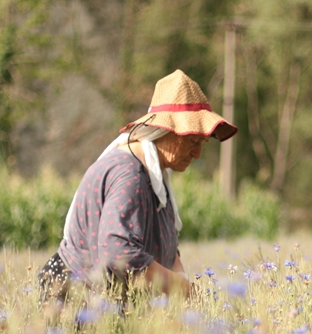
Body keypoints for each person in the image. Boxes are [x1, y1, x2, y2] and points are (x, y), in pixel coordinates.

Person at [38, 69, 237, 314]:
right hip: (73, 300)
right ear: (164, 131)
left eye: (202, 143)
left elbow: (166, 248)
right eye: (192, 142)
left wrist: (185, 291)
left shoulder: (155, 175)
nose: (197, 154)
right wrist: (182, 289)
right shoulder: (129, 174)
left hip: (104, 305)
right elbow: (119, 254)